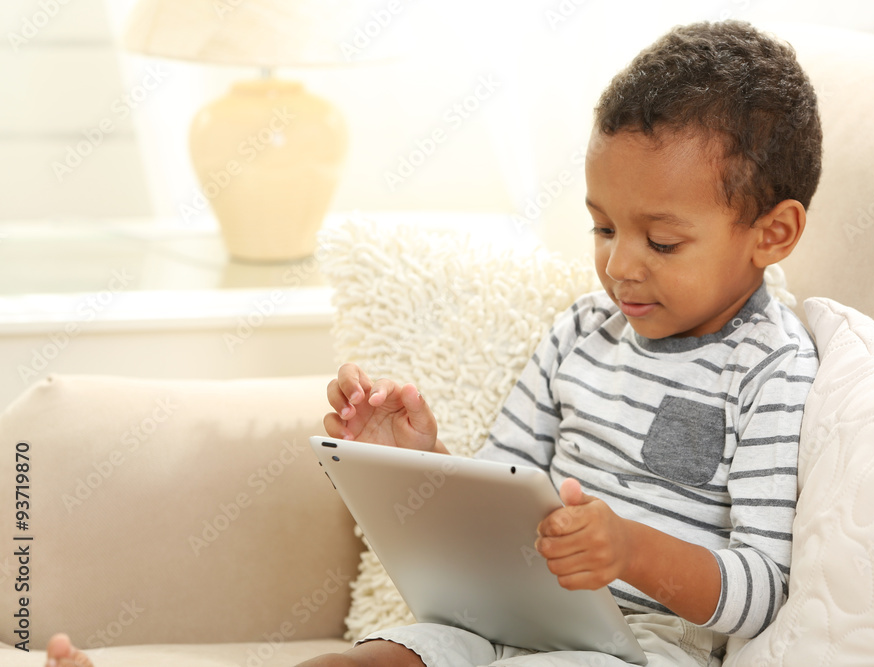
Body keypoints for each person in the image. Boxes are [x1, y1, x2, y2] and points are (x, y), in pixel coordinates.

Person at [44, 19, 821, 667]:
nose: (619, 265)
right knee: (366, 662)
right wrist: (421, 463)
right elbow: (497, 505)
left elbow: (761, 587)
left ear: (772, 233)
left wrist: (628, 550)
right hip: (501, 623)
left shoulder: (768, 370)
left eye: (662, 240)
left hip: (637, 649)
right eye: (603, 227)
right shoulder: (580, 335)